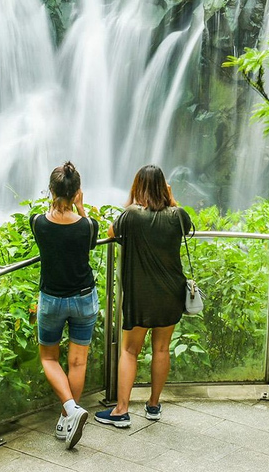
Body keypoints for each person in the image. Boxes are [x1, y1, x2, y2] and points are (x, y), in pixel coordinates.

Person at [95, 164, 191, 428]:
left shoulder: (132, 216)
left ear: (138, 188)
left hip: (140, 295)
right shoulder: (178, 215)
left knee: (129, 350)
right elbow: (182, 222)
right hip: (171, 292)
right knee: (161, 348)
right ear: (163, 188)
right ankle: (153, 406)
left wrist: (131, 200)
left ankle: (121, 411)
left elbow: (110, 233)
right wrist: (170, 199)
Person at [29, 161, 99, 450]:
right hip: (84, 298)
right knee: (78, 361)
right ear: (77, 193)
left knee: (48, 358)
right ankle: (68, 416)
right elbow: (90, 237)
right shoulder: (88, 226)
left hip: (52, 301)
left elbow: (48, 220)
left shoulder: (37, 222)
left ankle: (69, 411)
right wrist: (81, 209)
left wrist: (58, 203)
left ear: (50, 190)